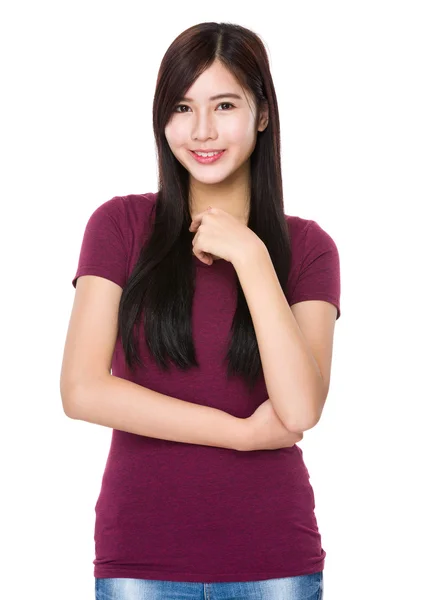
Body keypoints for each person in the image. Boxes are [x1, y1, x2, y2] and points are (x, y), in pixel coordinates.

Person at [61, 21, 341, 600]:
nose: (202, 130)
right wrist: (240, 434)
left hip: (274, 559)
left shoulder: (309, 247)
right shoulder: (119, 226)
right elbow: (83, 390)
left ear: (262, 113)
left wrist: (251, 256)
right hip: (140, 556)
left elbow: (300, 406)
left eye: (225, 104)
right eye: (183, 108)